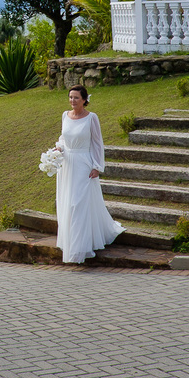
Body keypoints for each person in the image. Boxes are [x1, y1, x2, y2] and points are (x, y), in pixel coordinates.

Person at [55, 84, 124, 263]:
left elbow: (97, 143)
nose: (72, 101)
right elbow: (63, 138)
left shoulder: (91, 118)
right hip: (67, 165)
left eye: (76, 97)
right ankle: (70, 241)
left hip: (83, 164)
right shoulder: (65, 115)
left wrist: (97, 166)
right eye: (70, 97)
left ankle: (80, 249)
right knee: (68, 203)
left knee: (78, 204)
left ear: (85, 100)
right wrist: (58, 149)